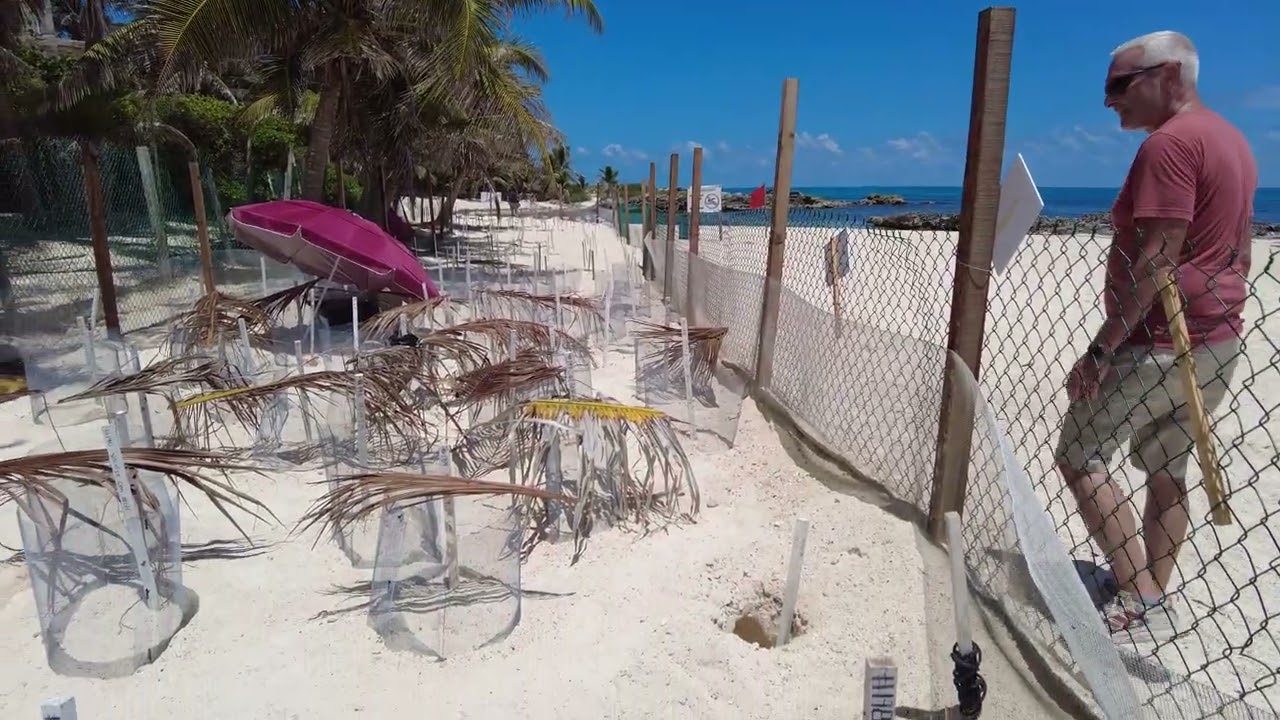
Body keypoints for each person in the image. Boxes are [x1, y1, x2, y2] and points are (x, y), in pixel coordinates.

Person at [1054, 30, 1257, 644]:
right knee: (1166, 469)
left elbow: (1157, 260)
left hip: (1156, 343)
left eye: (1119, 85)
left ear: (1168, 76)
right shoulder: (1233, 139)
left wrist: (1101, 348)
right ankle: (1147, 595)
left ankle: (1140, 598)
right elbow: (1238, 246)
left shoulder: (1168, 146)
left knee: (1080, 456)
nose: (1109, 102)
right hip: (1217, 336)